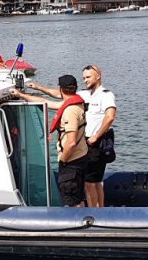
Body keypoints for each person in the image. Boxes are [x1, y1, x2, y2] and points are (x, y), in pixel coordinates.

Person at [27, 65, 116, 207]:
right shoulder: (84, 95)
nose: (85, 80)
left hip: (96, 141)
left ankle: (95, 213)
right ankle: (100, 209)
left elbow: (110, 117)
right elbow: (58, 94)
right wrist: (38, 87)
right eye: (84, 78)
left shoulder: (106, 95)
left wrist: (96, 137)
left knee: (90, 183)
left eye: (88, 77)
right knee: (95, 181)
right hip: (86, 142)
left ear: (98, 76)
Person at [11, 75, 88, 207]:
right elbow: (45, 102)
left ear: (61, 89)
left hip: (71, 161)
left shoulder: (69, 111)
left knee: (71, 200)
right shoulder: (77, 103)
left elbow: (71, 142)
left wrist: (63, 160)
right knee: (78, 196)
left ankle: (74, 223)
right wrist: (22, 95)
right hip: (81, 157)